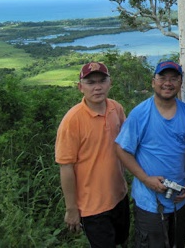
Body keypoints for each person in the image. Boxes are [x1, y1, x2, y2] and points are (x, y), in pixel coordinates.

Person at [115, 61, 185, 248]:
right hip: (149, 203)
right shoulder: (140, 114)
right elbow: (121, 149)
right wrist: (145, 179)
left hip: (179, 199)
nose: (167, 83)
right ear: (153, 82)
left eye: (173, 79)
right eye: (162, 78)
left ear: (180, 83)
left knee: (178, 243)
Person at [55, 62, 130, 248]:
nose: (97, 87)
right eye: (90, 82)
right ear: (81, 87)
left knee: (122, 241)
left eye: (102, 81)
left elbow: (128, 145)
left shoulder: (116, 108)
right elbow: (66, 167)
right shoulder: (72, 120)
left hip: (120, 196)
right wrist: (71, 208)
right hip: (92, 207)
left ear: (110, 83)